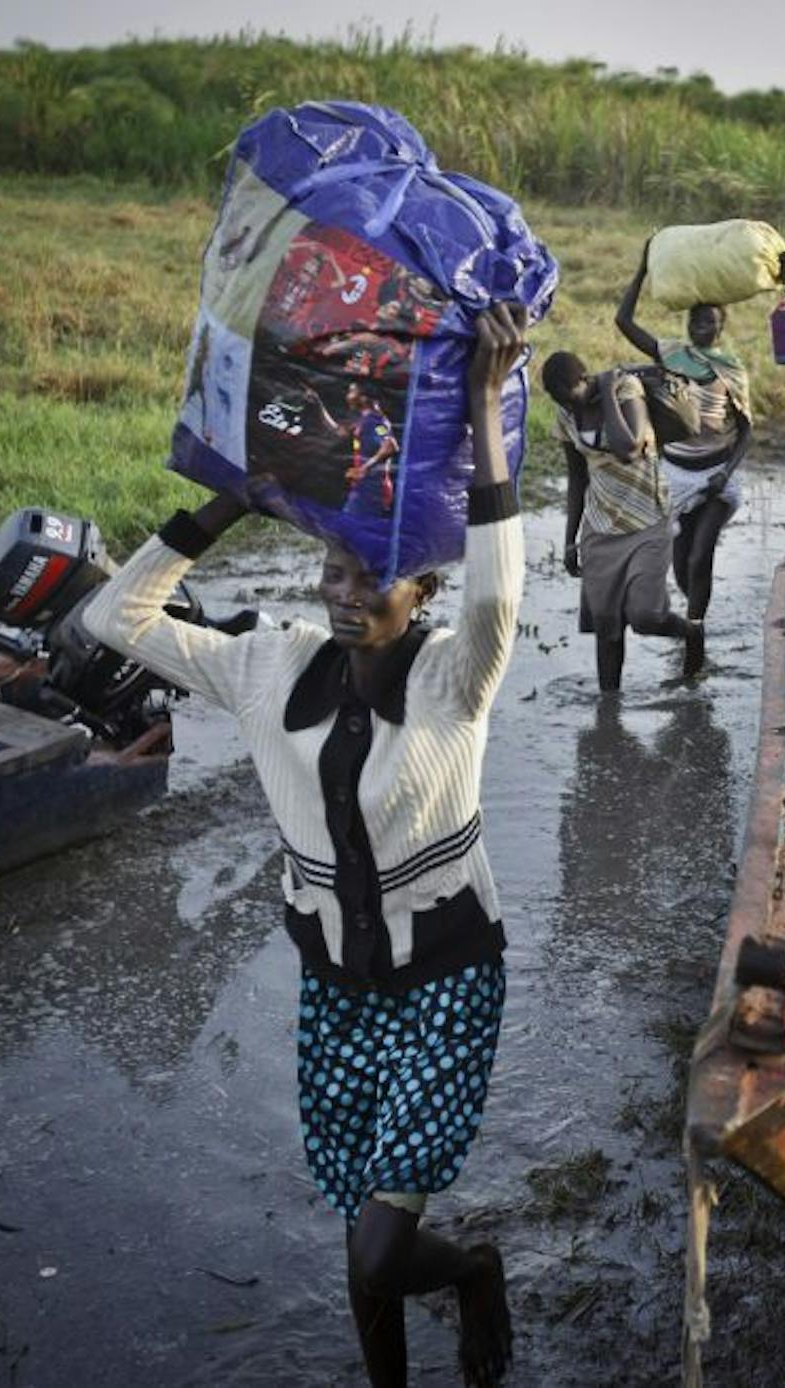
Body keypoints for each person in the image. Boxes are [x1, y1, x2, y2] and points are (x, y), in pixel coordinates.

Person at [81, 304, 531, 1388]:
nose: (343, 591)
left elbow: (499, 588)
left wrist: (482, 406)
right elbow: (115, 616)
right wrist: (235, 493)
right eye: (330, 568)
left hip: (447, 978)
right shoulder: (267, 665)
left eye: (370, 575)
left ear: (420, 593)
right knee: (356, 1225)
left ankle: (473, 1269)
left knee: (385, 1239)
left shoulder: (453, 679)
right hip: (335, 984)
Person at [615, 241, 760, 640]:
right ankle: (693, 625)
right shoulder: (672, 354)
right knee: (680, 563)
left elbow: (746, 431)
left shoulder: (732, 370)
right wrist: (642, 271)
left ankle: (696, 630)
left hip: (717, 472)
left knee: (700, 557)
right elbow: (624, 321)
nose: (700, 327)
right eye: (695, 321)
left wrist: (726, 473)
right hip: (675, 472)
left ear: (721, 326)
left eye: (708, 322)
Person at [542, 351, 709, 689]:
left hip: (648, 518)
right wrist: (570, 539)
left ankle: (691, 631)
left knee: (646, 616)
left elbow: (628, 447)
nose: (568, 407)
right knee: (607, 627)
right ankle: (608, 711)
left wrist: (607, 391)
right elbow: (577, 479)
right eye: (559, 400)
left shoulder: (626, 390)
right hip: (600, 527)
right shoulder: (566, 414)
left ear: (585, 379)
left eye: (570, 396)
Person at [314, 382, 401, 519]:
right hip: (364, 487)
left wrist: (363, 469)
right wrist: (317, 404)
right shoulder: (364, 420)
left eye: (352, 392)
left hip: (374, 490)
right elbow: (338, 431)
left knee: (350, 528)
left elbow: (391, 446)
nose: (347, 396)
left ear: (363, 398)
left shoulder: (376, 421)